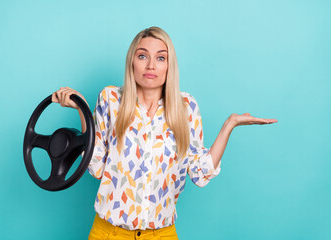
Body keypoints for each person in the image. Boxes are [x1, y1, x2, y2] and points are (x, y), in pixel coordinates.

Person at [52, 26, 277, 240]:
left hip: (161, 234)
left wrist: (230, 124)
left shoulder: (186, 106)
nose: (151, 65)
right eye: (142, 56)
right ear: (132, 61)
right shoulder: (111, 99)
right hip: (109, 232)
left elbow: (200, 173)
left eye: (160, 58)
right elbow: (96, 166)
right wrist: (81, 109)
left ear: (169, 65)